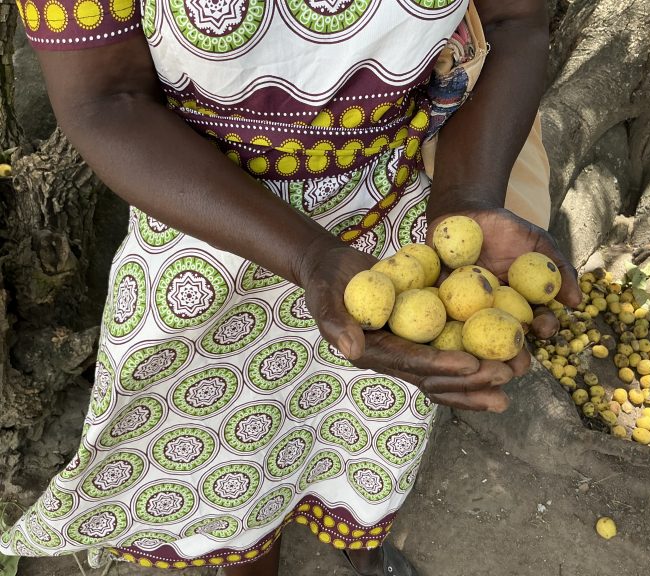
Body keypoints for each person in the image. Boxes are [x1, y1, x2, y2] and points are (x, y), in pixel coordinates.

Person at [1, 0, 580, 574]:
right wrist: (307, 254)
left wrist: (466, 197)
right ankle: (252, 556)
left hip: (398, 224)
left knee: (368, 429)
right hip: (207, 238)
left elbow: (513, 21)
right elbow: (105, 101)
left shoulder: (426, 271)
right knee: (233, 459)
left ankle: (359, 536)